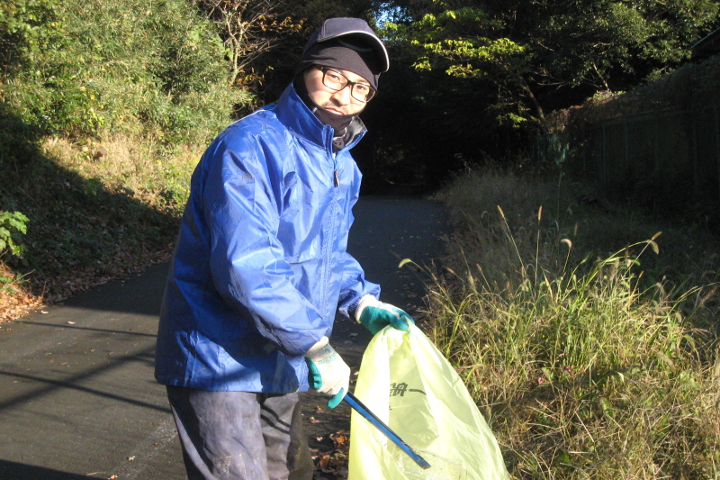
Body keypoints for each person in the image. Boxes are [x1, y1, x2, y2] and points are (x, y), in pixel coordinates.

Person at [154, 17, 414, 480]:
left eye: (360, 88)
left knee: (289, 472)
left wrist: (361, 300)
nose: (343, 95)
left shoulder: (342, 165)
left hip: (278, 353)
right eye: (334, 76)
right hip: (219, 357)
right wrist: (312, 344)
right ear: (307, 70)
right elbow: (245, 263)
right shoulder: (249, 145)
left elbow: (328, 253)